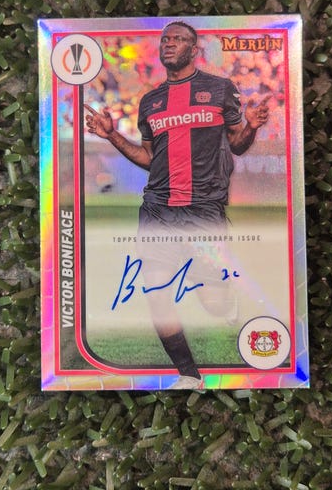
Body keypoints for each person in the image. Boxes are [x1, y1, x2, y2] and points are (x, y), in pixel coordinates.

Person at [85, 21, 270, 389]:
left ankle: (224, 298)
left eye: (178, 39)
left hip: (204, 208)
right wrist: (112, 135)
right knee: (155, 291)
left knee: (212, 301)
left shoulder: (219, 89)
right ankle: (189, 375)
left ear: (194, 48)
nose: (168, 44)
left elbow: (237, 145)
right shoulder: (150, 102)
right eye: (165, 39)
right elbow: (149, 157)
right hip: (158, 208)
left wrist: (249, 126)